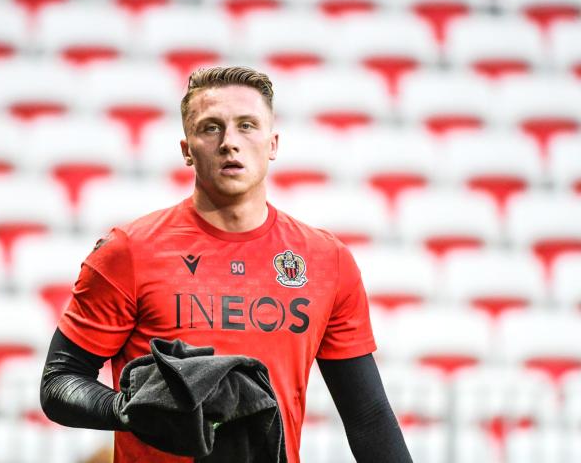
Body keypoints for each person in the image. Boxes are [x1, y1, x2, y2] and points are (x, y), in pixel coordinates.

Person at [40, 66, 412, 463]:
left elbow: (368, 417)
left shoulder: (326, 261)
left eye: (246, 126)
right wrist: (128, 410)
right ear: (187, 149)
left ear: (272, 143)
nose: (229, 142)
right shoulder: (129, 251)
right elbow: (58, 382)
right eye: (211, 128)